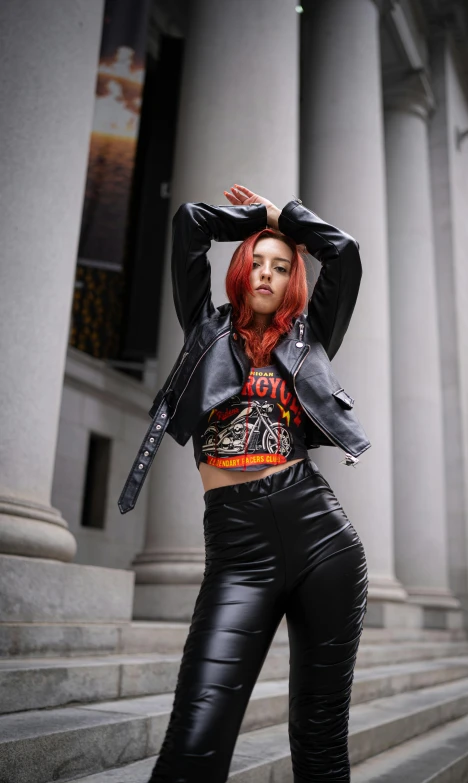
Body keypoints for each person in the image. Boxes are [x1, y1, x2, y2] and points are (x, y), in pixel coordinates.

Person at [140, 185, 370, 783]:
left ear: (294, 278)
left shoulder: (310, 335)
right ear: (240, 272)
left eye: (282, 265)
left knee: (320, 744)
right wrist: (254, 219)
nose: (267, 274)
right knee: (193, 742)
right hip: (238, 546)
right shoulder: (204, 330)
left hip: (320, 536)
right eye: (257, 262)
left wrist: (284, 215)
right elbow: (190, 223)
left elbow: (342, 253)